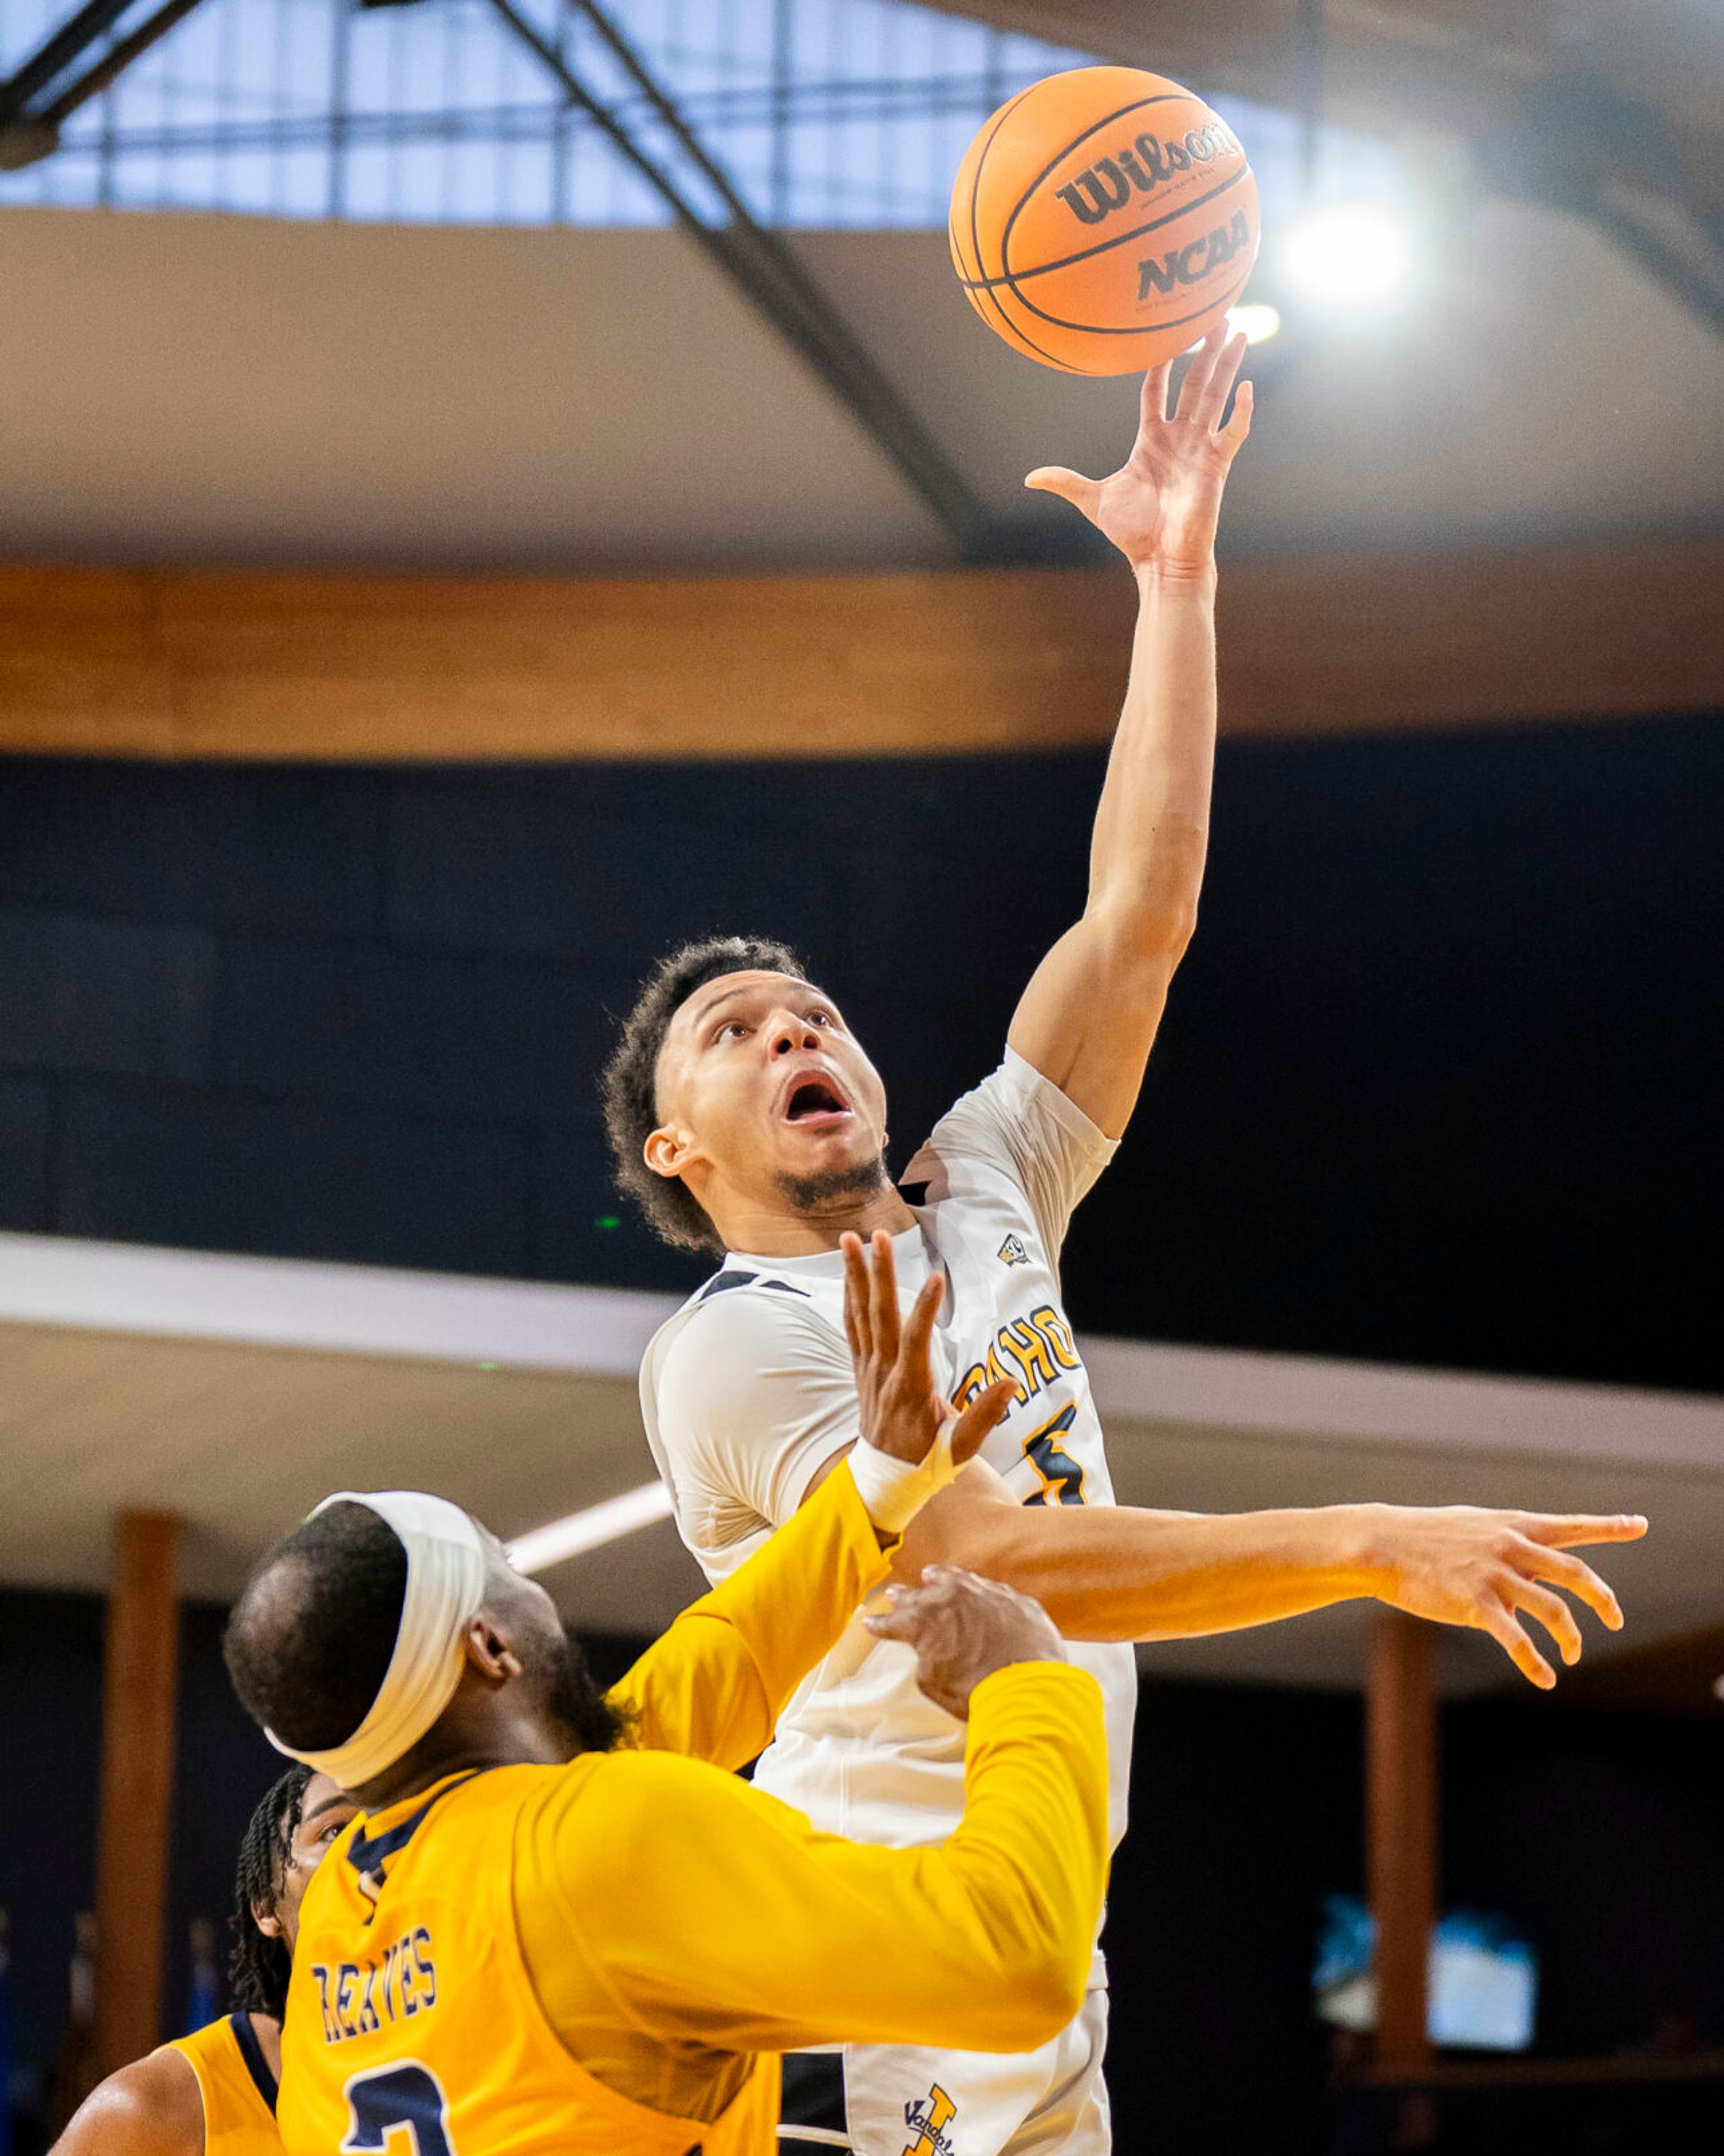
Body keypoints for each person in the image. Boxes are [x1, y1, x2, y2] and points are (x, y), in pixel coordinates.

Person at [610, 331, 1650, 2156]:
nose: (797, 1034)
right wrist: (1360, 1539)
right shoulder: (736, 1341)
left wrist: (1177, 579)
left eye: (815, 1011)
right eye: (740, 1031)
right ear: (679, 1152)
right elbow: (1012, 1569)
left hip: (1032, 1913)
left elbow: (1141, 913)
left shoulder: (987, 1175)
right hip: (866, 1925)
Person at [221, 1243, 1109, 2156]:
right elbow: (1015, 1962)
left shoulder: (343, 1914)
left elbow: (700, 1676)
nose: (537, 1593)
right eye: (510, 1570)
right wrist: (1025, 1679)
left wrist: (878, 1486)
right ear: (489, 1647)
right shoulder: (604, 1846)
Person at [50, 1764, 358, 2155]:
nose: (371, 1850)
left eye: (390, 1828)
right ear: (266, 1905)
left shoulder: (450, 2075)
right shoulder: (157, 2109)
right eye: (335, 1831)